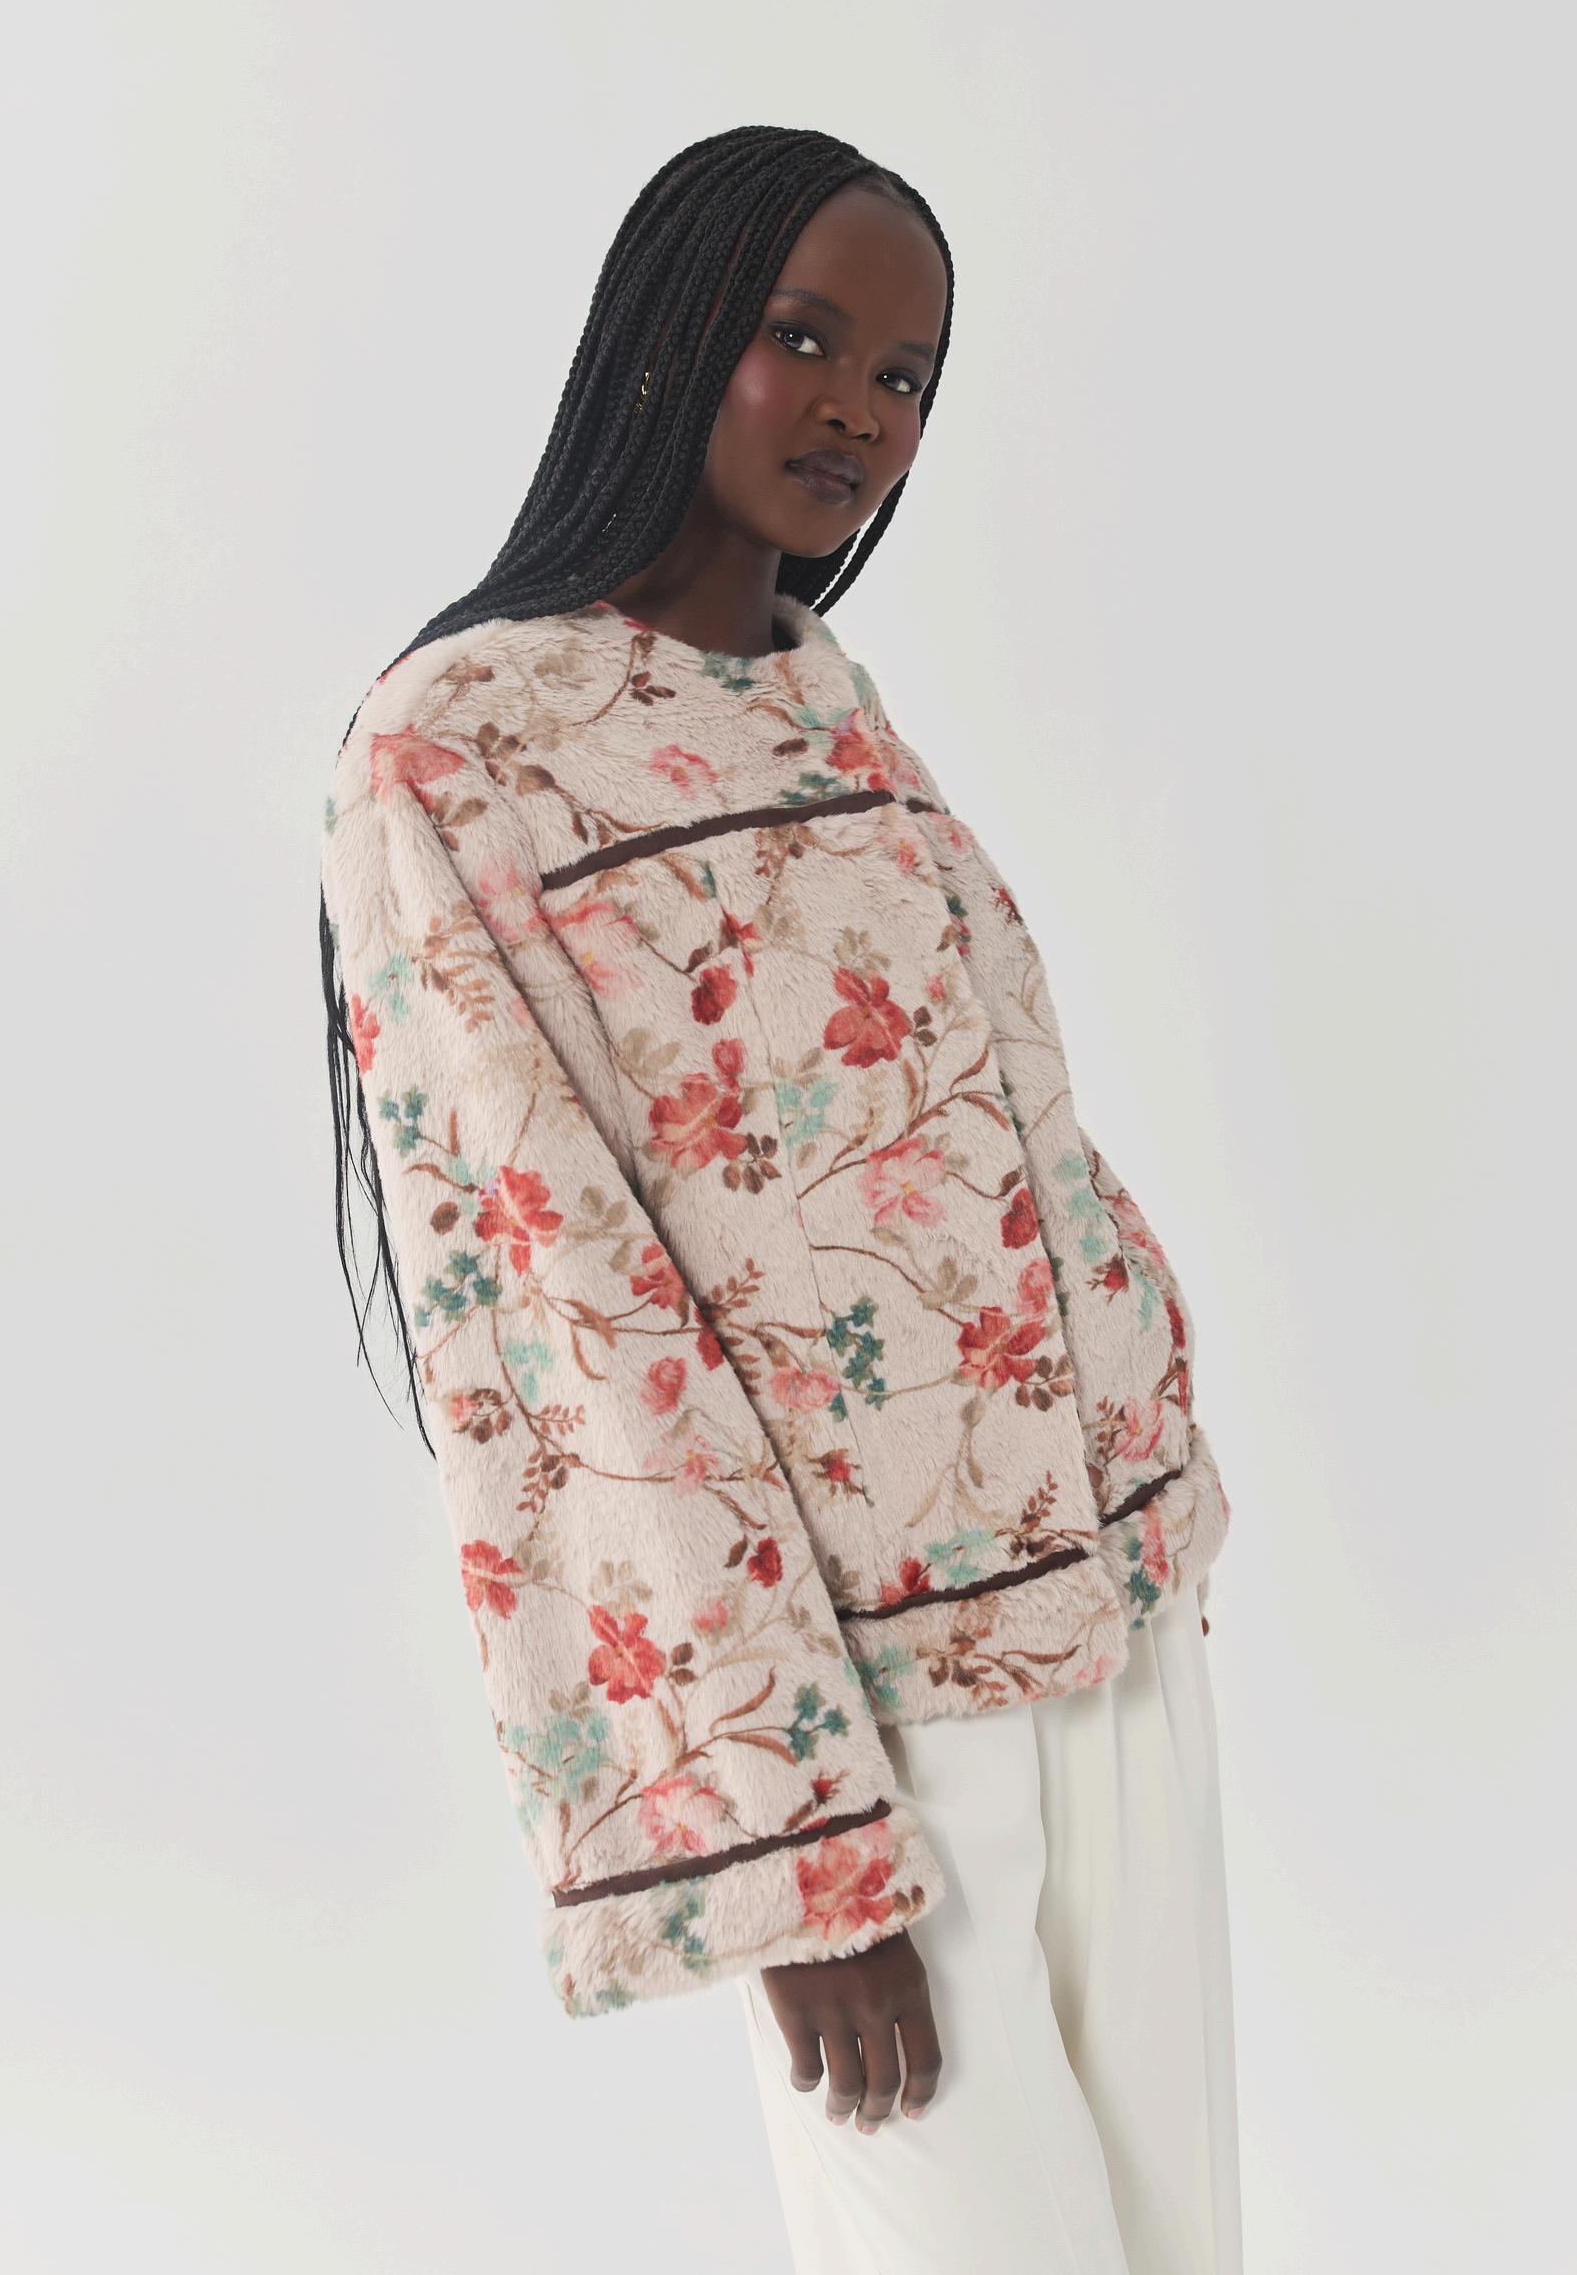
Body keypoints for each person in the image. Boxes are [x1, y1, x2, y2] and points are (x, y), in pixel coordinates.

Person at [318, 124, 1240, 2273]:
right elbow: (558, 1323)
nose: (857, 410)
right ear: (668, 332)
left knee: (1178, 2239)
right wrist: (787, 1842)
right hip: (855, 1706)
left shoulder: (821, 692)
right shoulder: (456, 745)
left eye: (904, 377)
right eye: (803, 338)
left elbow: (1002, 1127)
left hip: (1109, 1613)